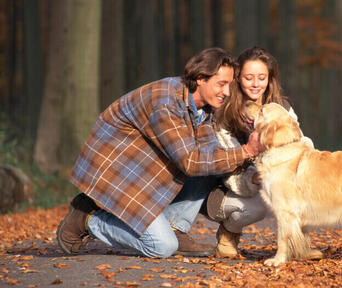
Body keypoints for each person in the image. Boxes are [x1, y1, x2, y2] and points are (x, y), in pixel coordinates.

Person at [56, 48, 264, 258]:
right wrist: (245, 151)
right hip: (114, 172)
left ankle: (175, 227)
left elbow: (212, 153)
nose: (227, 92)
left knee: (211, 165)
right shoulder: (165, 101)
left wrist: (251, 158)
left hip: (140, 170)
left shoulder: (203, 107)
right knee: (161, 246)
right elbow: (190, 161)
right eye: (222, 84)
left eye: (230, 85)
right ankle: (88, 218)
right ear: (201, 78)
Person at [207, 46, 313, 257]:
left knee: (298, 188)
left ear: (269, 78)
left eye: (261, 77)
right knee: (259, 207)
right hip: (230, 187)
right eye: (248, 78)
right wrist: (256, 177)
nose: (256, 84)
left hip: (279, 172)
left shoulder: (281, 107)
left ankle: (299, 244)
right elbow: (227, 168)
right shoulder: (225, 114)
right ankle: (229, 232)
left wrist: (299, 166)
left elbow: (300, 140)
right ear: (238, 79)